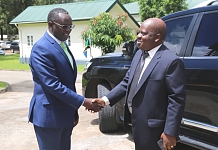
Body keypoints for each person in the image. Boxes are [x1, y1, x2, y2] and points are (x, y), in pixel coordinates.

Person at [93, 18, 186, 150]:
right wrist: (105, 100)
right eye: (138, 32)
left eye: (143, 33)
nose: (138, 36)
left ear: (157, 38)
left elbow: (176, 100)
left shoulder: (171, 62)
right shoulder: (138, 55)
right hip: (137, 123)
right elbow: (127, 82)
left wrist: (170, 132)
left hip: (154, 129)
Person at [28, 8, 101, 150]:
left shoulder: (62, 44)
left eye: (70, 27)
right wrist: (84, 102)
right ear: (51, 25)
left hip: (65, 115)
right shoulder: (41, 48)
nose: (68, 30)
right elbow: (53, 85)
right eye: (64, 27)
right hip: (49, 118)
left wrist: (73, 112)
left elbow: (68, 83)